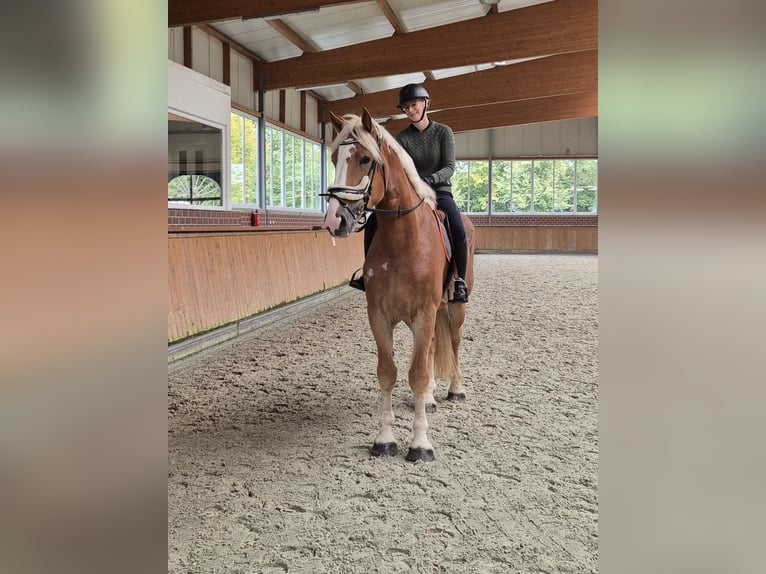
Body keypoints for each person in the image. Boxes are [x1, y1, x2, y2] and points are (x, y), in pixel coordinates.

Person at [349, 83, 469, 303]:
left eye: (413, 104)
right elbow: (398, 169)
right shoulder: (402, 138)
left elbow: (449, 167)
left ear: (425, 104)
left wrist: (431, 179)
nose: (410, 110)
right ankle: (368, 275)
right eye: (405, 107)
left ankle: (459, 279)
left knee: (458, 228)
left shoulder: (443, 132)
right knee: (374, 222)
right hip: (411, 193)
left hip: (438, 192)